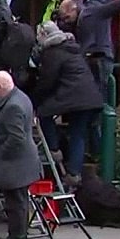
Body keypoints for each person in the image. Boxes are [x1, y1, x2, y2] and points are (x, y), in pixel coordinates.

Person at [31, 21, 104, 182]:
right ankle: (73, 173)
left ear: (43, 35)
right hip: (90, 97)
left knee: (44, 113)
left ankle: (53, 149)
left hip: (72, 97)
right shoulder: (71, 49)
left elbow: (47, 81)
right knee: (78, 134)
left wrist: (34, 101)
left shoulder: (52, 52)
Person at [0, 71, 42, 239]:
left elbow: (16, 138)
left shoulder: (13, 106)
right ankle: (17, 236)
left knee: (15, 203)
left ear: (0, 87)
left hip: (15, 164)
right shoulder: (20, 97)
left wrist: (0, 151)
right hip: (20, 162)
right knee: (19, 202)